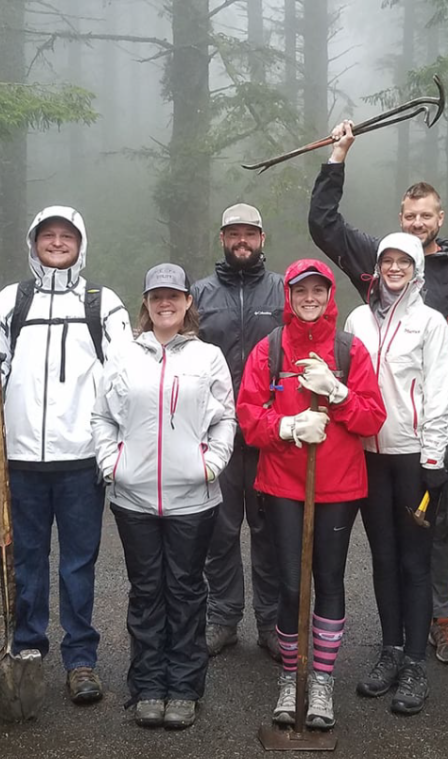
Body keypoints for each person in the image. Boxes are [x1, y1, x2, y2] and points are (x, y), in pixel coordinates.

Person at [309, 118, 448, 664]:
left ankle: (441, 620)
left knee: (438, 536)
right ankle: (395, 646)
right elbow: (324, 223)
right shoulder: (368, 280)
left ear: (439, 219)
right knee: (389, 550)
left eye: (426, 216)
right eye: (409, 217)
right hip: (369, 441)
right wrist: (338, 155)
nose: (417, 224)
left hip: (436, 427)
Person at [0, 206, 131, 705]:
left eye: (67, 236)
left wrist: (113, 440)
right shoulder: (10, 300)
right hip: (20, 458)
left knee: (78, 564)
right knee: (27, 561)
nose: (58, 243)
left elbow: (124, 375)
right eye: (49, 235)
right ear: (34, 242)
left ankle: (81, 658)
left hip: (80, 459)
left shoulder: (101, 302)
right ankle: (27, 649)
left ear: (81, 243)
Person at [237, 259, 385, 730]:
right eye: (301, 291)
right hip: (282, 484)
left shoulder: (349, 349)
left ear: (329, 295)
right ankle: (290, 676)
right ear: (289, 295)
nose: (309, 299)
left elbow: (371, 419)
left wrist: (336, 393)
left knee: (329, 580)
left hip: (338, 486)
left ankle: (320, 680)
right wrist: (288, 425)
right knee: (289, 584)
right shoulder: (270, 350)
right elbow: (247, 417)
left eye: (318, 291)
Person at [92, 263, 236, 730]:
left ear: (188, 302)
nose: (165, 303)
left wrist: (210, 464)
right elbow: (102, 417)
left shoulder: (207, 357)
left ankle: (185, 687)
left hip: (193, 500)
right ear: (146, 303)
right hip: (134, 499)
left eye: (174, 295)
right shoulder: (122, 354)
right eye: (157, 296)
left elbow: (225, 419)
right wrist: (112, 464)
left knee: (186, 591)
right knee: (147, 591)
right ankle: (149, 685)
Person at [344, 233, 448, 716]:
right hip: (367, 453)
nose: (393, 268)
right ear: (376, 267)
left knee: (414, 560)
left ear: (415, 269)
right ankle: (389, 650)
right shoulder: (357, 319)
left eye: (402, 261)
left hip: (411, 456)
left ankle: (414, 662)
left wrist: (433, 457)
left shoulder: (429, 323)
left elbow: (437, 390)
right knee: (383, 557)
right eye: (386, 260)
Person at [191, 204, 284, 660]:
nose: (241, 241)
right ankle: (223, 618)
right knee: (221, 531)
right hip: (216, 434)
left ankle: (271, 621)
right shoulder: (199, 294)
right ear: (222, 238)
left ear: (262, 239)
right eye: (233, 234)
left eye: (250, 233)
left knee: (268, 531)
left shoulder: (284, 290)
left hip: (270, 435)